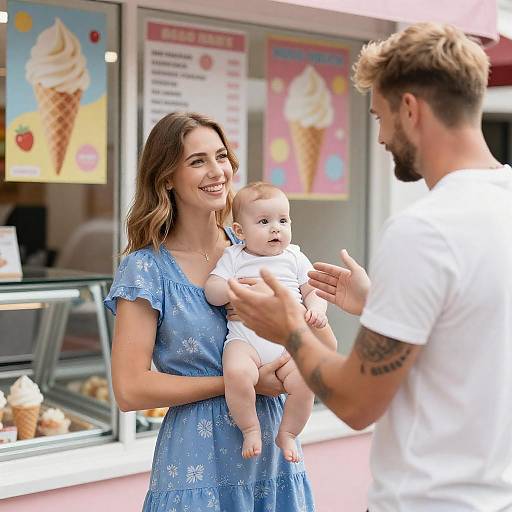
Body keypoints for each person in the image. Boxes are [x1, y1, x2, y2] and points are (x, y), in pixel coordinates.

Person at [227, 22, 512, 512]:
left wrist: (290, 326)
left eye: (379, 116)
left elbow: (358, 404)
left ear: (410, 109)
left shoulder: (424, 230)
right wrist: (379, 303)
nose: (379, 137)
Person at [104, 112, 322, 511]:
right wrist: (242, 381)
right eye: (197, 161)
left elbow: (319, 341)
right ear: (166, 177)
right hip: (197, 461)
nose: (217, 171)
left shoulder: (261, 250)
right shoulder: (146, 268)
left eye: (221, 156)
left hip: (273, 453)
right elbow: (130, 389)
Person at [204, 182, 329, 463]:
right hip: (245, 341)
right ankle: (250, 428)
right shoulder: (233, 257)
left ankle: (289, 433)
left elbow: (314, 289)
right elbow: (212, 291)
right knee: (236, 373)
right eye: (264, 221)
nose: (276, 228)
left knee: (305, 381)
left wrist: (317, 310)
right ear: (239, 232)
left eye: (283, 221)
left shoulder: (294, 257)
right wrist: (235, 289)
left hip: (287, 345)